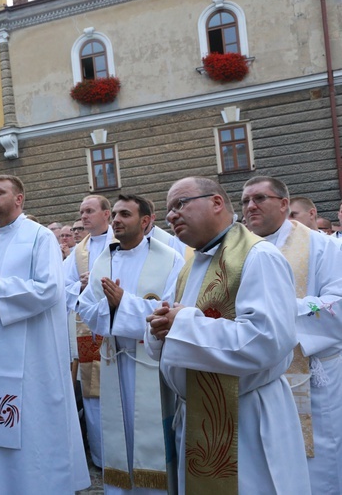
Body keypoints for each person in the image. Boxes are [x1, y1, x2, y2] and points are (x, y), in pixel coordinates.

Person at [146, 176, 310, 493]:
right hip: (198, 417)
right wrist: (160, 328)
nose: (171, 216)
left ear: (217, 202)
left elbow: (267, 340)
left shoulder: (258, 256)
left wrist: (181, 324)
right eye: (168, 210)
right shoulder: (189, 267)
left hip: (247, 418)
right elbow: (176, 332)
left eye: (180, 204)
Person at [0, 175, 89, 494]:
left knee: (31, 422)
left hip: (31, 354)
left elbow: (50, 290)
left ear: (19, 199)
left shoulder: (39, 237)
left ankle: (35, 485)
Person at [77, 195, 183, 494]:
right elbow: (85, 308)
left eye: (125, 214)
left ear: (146, 221)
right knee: (118, 437)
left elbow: (171, 311)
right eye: (116, 215)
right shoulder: (104, 260)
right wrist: (111, 309)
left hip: (150, 364)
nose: (117, 221)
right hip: (114, 360)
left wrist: (123, 304)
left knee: (151, 442)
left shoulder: (170, 258)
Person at [242, 176, 342, 493]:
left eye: (259, 198)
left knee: (319, 465)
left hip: (313, 374)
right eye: (245, 200)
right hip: (258, 375)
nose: (250, 206)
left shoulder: (323, 246)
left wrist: (278, 314)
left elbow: (338, 304)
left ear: (284, 204)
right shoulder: (238, 250)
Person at [63, 194, 114, 468]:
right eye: (82, 211)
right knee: (93, 393)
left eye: (90, 211)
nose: (84, 216)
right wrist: (80, 286)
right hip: (88, 329)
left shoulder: (123, 242)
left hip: (118, 326)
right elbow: (61, 287)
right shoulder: (77, 252)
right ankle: (101, 456)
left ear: (107, 214)